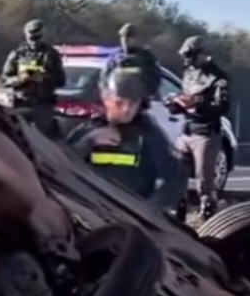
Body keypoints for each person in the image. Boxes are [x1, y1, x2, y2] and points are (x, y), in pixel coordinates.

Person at [66, 62, 187, 220]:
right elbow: (63, 168)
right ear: (106, 98)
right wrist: (88, 142)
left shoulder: (149, 133)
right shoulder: (88, 130)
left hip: (133, 218)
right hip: (93, 215)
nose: (126, 110)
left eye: (132, 103)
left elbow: (175, 179)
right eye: (119, 103)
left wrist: (149, 210)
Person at [169, 35, 231, 219]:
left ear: (201, 53)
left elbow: (222, 106)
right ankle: (178, 215)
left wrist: (198, 102)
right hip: (186, 130)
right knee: (177, 175)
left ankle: (207, 216)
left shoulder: (218, 77)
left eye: (189, 55)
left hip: (205, 132)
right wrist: (175, 104)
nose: (186, 60)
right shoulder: (188, 74)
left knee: (203, 180)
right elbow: (184, 97)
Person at [1, 19, 67, 137]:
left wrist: (43, 79)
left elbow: (61, 80)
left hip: (43, 105)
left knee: (43, 139)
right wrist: (20, 79)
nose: (34, 42)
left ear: (42, 36)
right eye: (31, 38)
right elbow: (4, 80)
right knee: (20, 137)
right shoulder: (17, 55)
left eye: (37, 38)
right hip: (21, 103)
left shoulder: (51, 55)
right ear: (26, 36)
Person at [99, 23, 161, 105]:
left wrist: (145, 97)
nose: (125, 39)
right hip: (118, 102)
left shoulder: (145, 58)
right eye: (122, 36)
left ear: (135, 39)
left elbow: (154, 80)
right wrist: (108, 94)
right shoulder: (115, 57)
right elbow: (104, 79)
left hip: (138, 103)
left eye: (129, 36)